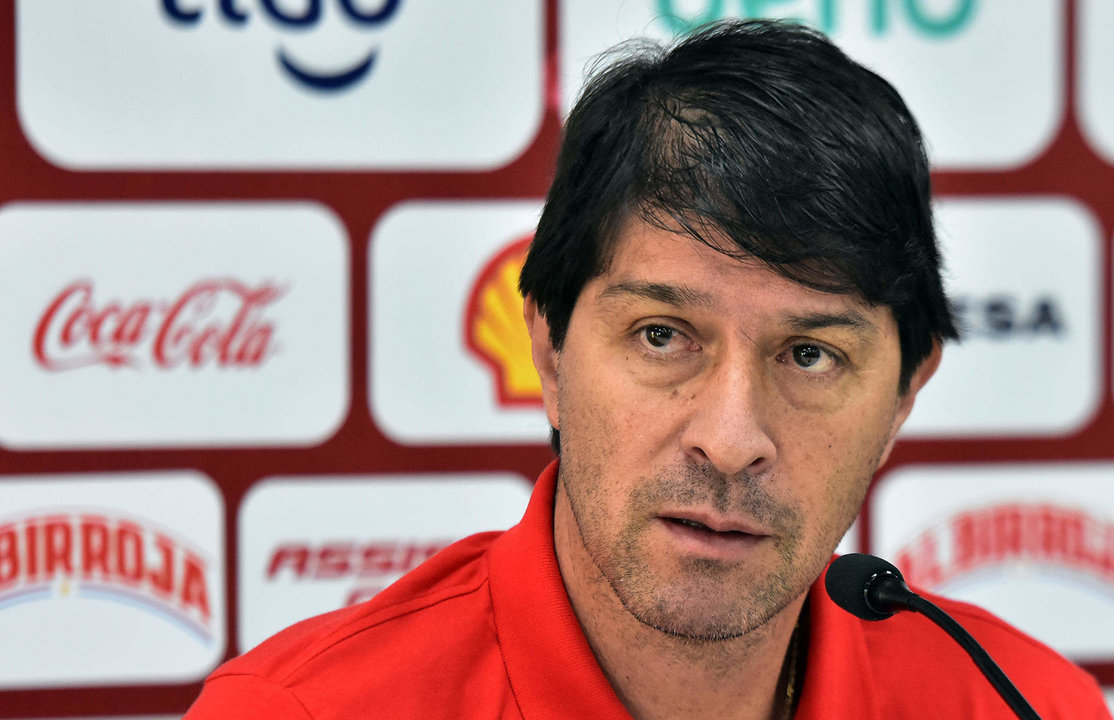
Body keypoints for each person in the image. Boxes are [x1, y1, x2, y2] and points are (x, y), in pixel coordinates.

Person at [184, 19, 1110, 720]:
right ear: (548, 353)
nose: (731, 437)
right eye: (664, 336)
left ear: (904, 395)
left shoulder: (1026, 705)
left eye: (811, 355)